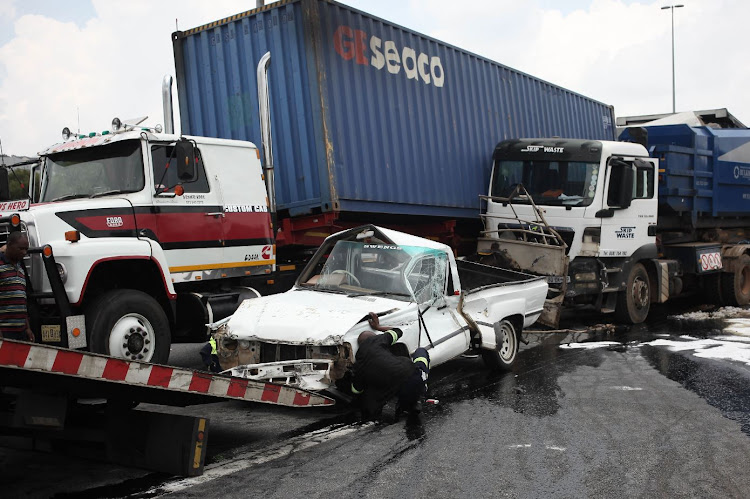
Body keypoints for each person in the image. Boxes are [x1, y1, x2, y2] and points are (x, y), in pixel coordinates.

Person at [350, 312, 430, 420]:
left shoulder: (359, 364)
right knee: (421, 353)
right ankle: (418, 397)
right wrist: (378, 327)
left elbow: (356, 390)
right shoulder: (379, 340)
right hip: (412, 377)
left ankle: (406, 403)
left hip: (391, 390)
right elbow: (397, 331)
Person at [0, 232, 34, 342]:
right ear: (9, 245)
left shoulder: (20, 269)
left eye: (26, 249)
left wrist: (27, 328)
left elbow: (22, 302)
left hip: (20, 332)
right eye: (20, 248)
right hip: (5, 331)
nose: (24, 252)